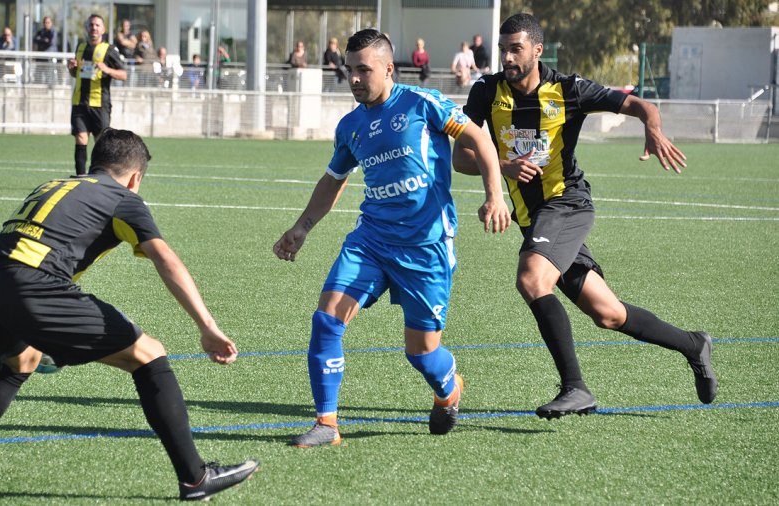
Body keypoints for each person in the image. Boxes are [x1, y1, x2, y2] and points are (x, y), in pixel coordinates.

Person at [0, 129, 259, 499]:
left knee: (19, 361)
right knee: (149, 353)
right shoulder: (124, 198)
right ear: (136, 177)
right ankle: (196, 478)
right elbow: (165, 259)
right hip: (30, 286)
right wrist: (208, 326)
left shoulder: (55, 184)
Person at [452, 13, 717, 419]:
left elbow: (640, 105)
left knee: (531, 278)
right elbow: (461, 156)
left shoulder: (569, 89)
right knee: (608, 314)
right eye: (503, 48)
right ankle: (693, 344)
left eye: (515, 49)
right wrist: (503, 168)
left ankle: (575, 388)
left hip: (566, 203)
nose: (506, 56)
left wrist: (653, 126)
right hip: (534, 217)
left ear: (537, 50)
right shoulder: (487, 91)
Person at [273, 29, 510, 447]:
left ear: (388, 68)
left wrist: (495, 195)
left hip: (426, 246)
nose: (355, 79)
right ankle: (326, 424)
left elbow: (479, 138)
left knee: (420, 354)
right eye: (350, 71)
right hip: (371, 241)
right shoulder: (350, 126)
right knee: (326, 321)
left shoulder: (422, 103)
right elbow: (334, 179)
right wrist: (301, 227)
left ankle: (449, 387)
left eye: (364, 70)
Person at [67, 14, 127, 176]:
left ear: (103, 29)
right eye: (91, 25)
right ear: (87, 28)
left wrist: (107, 69)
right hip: (79, 101)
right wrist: (71, 68)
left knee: (101, 143)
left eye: (98, 25)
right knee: (80, 138)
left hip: (100, 103)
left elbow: (123, 74)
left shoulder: (109, 50)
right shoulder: (80, 48)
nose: (94, 28)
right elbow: (76, 74)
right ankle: (80, 177)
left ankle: (99, 178)